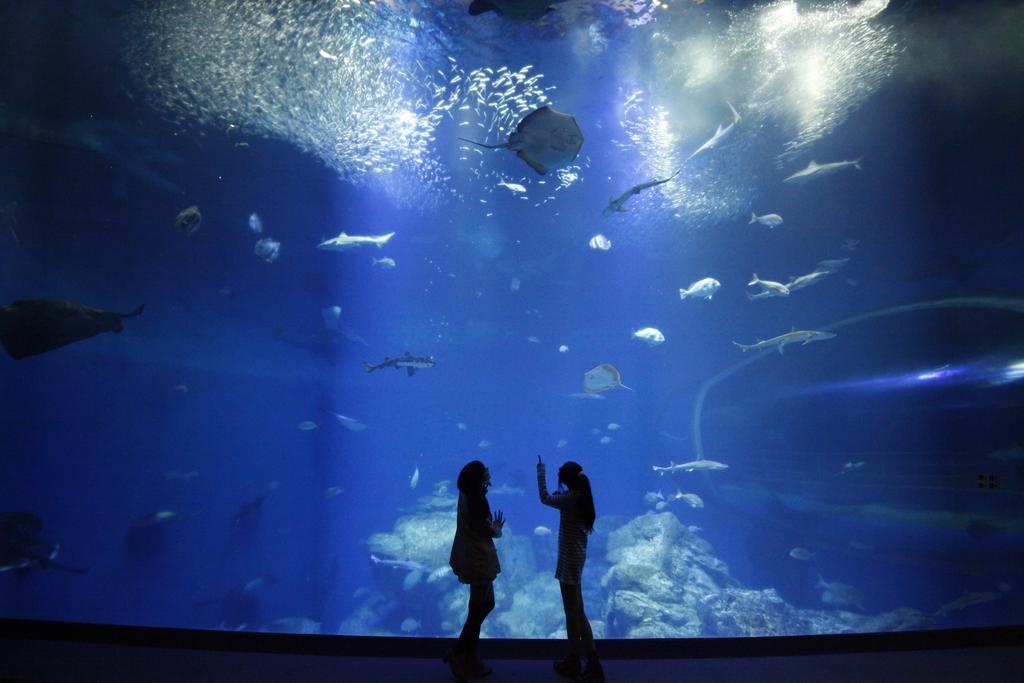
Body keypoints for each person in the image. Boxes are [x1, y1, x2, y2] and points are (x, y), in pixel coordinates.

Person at [537, 455, 603, 682]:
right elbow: (558, 498)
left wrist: (540, 471)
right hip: (576, 558)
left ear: (566, 482)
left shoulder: (571, 498)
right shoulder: (581, 496)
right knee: (579, 610)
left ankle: (574, 660)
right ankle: (593, 663)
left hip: (569, 560)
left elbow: (545, 498)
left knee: (571, 613)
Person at [446, 460, 505, 681]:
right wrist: (497, 529)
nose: (489, 475)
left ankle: (468, 657)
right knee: (480, 607)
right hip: (479, 560)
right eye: (486, 473)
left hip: (469, 556)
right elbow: (489, 531)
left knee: (481, 606)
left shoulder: (464, 495)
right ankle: (461, 655)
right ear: (479, 479)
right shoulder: (478, 501)